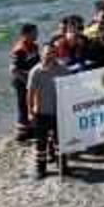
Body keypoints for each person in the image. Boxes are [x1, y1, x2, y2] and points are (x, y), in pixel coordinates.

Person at [28, 43, 69, 179]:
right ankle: (40, 169)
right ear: (41, 55)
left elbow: (72, 87)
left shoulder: (63, 69)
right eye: (47, 53)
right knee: (41, 143)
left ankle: (62, 166)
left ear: (56, 54)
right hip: (41, 113)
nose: (49, 56)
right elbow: (30, 93)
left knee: (60, 142)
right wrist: (30, 112)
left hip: (59, 113)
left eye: (52, 53)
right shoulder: (35, 71)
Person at [10, 23, 40, 141]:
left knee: (32, 103)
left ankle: (31, 126)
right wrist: (27, 83)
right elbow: (14, 70)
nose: (37, 35)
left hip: (32, 79)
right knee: (23, 104)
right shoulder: (20, 50)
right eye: (34, 33)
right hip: (22, 81)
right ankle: (22, 130)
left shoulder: (34, 46)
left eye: (36, 32)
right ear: (25, 34)